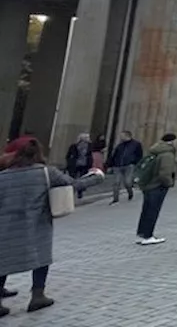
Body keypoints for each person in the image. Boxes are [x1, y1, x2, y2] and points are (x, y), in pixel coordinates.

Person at [0, 139, 103, 316]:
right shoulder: (46, 173)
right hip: (37, 224)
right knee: (41, 258)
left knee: (3, 258)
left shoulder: (4, 176)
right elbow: (73, 184)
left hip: (5, 225)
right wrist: (96, 177)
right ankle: (37, 296)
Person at [135, 132, 177, 245]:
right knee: (153, 211)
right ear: (172, 141)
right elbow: (164, 173)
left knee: (146, 210)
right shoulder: (167, 154)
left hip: (148, 184)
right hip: (158, 185)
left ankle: (141, 234)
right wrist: (169, 183)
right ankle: (148, 236)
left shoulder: (155, 150)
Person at [106, 130, 143, 205]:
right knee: (116, 182)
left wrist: (134, 163)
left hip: (129, 165)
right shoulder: (120, 145)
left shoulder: (136, 144)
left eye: (122, 136)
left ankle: (130, 192)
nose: (121, 137)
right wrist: (109, 165)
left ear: (127, 136)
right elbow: (114, 155)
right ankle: (115, 199)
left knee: (127, 182)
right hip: (118, 166)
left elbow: (139, 155)